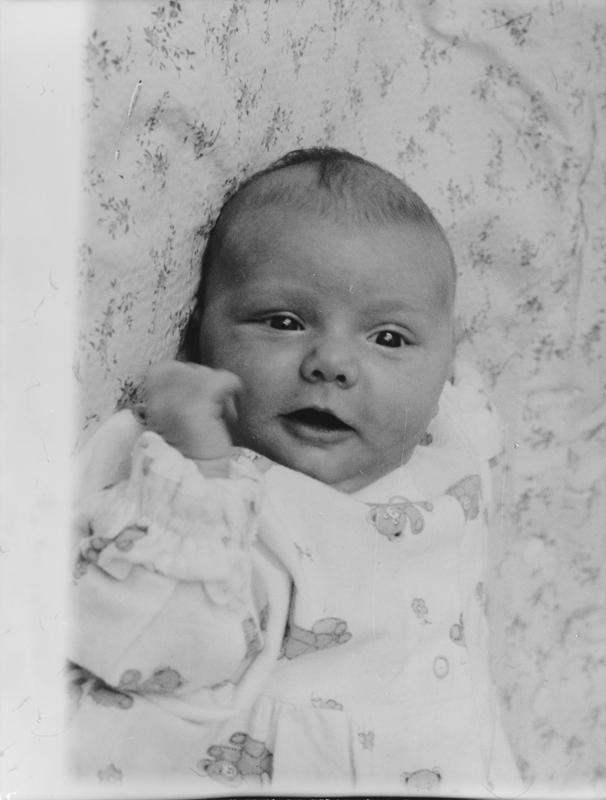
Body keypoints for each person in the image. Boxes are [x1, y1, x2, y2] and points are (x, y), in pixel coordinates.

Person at [68, 148, 522, 796]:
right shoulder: (202, 490)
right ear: (198, 336)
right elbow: (139, 645)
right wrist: (198, 467)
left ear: (447, 363)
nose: (332, 362)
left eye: (388, 338)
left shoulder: (450, 446)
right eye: (284, 322)